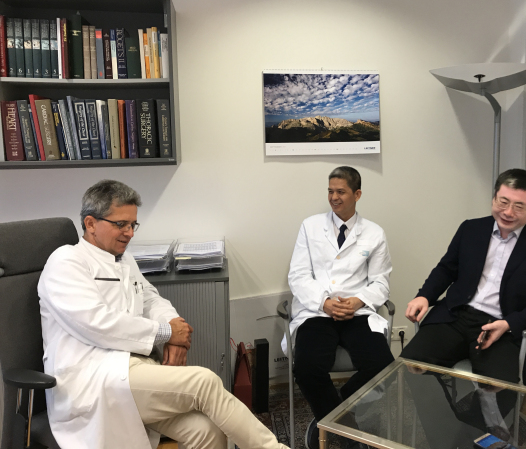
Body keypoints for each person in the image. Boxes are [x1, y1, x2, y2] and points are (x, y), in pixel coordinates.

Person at [38, 180, 288, 449]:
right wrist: (167, 332)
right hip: (93, 379)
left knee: (205, 430)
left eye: (133, 224)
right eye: (120, 224)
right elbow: (98, 324)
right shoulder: (66, 261)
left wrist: (173, 329)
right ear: (90, 223)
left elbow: (151, 299)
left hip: (133, 370)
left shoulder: (124, 260)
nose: (129, 233)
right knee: (204, 383)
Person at [401, 168, 526, 385]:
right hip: (454, 317)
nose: (508, 212)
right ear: (494, 198)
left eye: (519, 206)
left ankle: (476, 408)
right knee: (410, 367)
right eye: (503, 202)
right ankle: (441, 407)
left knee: (499, 387)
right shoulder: (471, 229)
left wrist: (509, 323)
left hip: (502, 327)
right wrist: (424, 296)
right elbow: (446, 269)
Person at [283, 166, 394, 449]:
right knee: (306, 368)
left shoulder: (374, 233)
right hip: (318, 311)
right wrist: (325, 302)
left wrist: (358, 301)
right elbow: (298, 275)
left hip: (356, 312)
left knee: (383, 366)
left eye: (341, 192)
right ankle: (347, 428)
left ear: (357, 194)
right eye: (330, 191)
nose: (334, 197)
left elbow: (381, 282)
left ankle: (332, 415)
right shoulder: (310, 226)